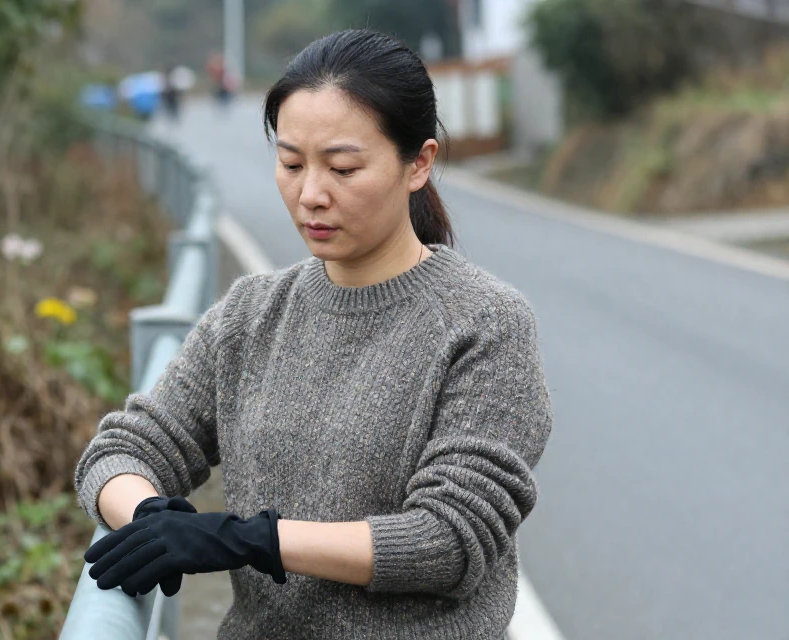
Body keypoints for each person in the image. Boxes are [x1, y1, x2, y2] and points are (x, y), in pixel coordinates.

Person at [74, 28, 553, 640]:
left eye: (343, 168)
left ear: (419, 163)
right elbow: (124, 448)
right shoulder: (251, 314)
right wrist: (150, 517)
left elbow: (450, 540)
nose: (310, 195)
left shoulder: (484, 324)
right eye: (291, 163)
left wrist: (246, 539)